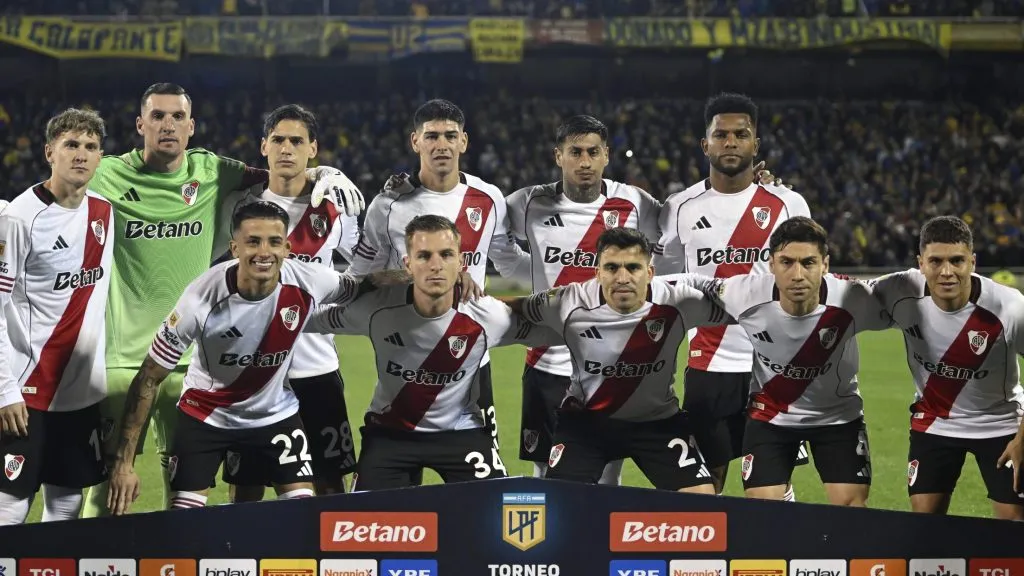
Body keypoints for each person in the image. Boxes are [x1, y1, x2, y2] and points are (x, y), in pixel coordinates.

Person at [82, 83, 365, 517]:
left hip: (282, 363)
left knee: (324, 482)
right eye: (157, 116)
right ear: (141, 124)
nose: (168, 125)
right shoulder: (117, 175)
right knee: (118, 482)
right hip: (149, 361)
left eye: (177, 117)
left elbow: (355, 273)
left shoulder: (223, 176)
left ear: (191, 126)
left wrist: (327, 173)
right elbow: (61, 182)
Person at [105, 201, 369, 514]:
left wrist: (423, 284)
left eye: (273, 242)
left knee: (303, 516)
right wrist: (124, 464)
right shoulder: (200, 300)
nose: (264, 252)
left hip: (275, 415)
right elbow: (150, 375)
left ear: (286, 247)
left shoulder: (309, 280)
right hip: (206, 415)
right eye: (253, 242)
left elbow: (362, 287)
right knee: (185, 520)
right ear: (234, 248)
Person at [306, 215, 560, 490]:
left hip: (461, 433)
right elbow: (305, 317)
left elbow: (559, 331)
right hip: (391, 433)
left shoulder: (488, 316)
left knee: (496, 516)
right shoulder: (376, 309)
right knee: (363, 523)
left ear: (461, 263)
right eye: (424, 256)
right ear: (407, 265)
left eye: (446, 255)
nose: (436, 265)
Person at [346, 99, 531, 471]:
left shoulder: (489, 199)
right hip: (405, 352)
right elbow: (358, 278)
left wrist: (577, 279)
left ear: (464, 141)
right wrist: (423, 277)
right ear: (416, 142)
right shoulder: (388, 205)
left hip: (472, 355)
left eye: (450, 135)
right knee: (394, 485)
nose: (441, 144)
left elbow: (508, 260)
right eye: (431, 136)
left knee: (483, 492)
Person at [653, 92, 812, 498]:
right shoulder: (679, 207)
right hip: (710, 364)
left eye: (740, 134)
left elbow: (808, 279)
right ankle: (710, 562)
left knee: (771, 489)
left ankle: (777, 559)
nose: (730, 142)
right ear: (705, 144)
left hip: (773, 362)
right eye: (720, 134)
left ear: (755, 144)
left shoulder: (788, 204)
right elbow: (669, 283)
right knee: (709, 486)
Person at [682, 217, 891, 506]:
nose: (797, 274)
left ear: (825, 265)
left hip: (837, 417)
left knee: (851, 511)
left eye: (808, 263)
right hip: (772, 417)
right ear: (771, 264)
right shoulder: (745, 293)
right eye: (786, 262)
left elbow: (908, 293)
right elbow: (695, 282)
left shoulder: (854, 298)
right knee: (764, 512)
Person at [504, 115, 662, 485]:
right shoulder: (527, 202)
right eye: (575, 152)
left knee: (608, 477)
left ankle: (599, 543)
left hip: (612, 365)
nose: (585, 161)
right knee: (544, 472)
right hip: (548, 363)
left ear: (607, 155)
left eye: (593, 152)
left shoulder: (636, 203)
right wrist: (534, 270)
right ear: (558, 155)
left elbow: (675, 244)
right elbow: (492, 242)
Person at [506, 227, 726, 493]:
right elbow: (513, 307)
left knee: (702, 500)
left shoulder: (679, 302)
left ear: (650, 273)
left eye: (633, 267)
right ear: (598, 273)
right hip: (586, 424)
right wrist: (458, 296)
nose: (622, 278)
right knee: (561, 504)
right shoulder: (569, 301)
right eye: (611, 268)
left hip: (657, 422)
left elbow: (746, 308)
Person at [221, 105, 359, 501]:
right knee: (246, 486)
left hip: (315, 366)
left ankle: (331, 563)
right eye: (278, 140)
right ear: (263, 147)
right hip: (253, 368)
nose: (287, 148)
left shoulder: (334, 208)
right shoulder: (241, 210)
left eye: (297, 141)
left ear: (312, 149)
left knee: (330, 483)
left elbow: (363, 269)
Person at [0, 108, 113, 524]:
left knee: (66, 503)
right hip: (28, 390)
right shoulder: (17, 219)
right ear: (50, 151)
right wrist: (3, 391)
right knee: (10, 503)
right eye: (71, 145)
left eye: (90, 147)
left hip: (80, 392)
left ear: (100, 156)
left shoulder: (104, 212)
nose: (81, 155)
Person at [869, 216, 1024, 520]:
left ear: (973, 262)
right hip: (935, 421)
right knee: (926, 524)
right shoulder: (899, 291)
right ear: (921, 263)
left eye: (957, 260)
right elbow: (839, 295)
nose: (946, 272)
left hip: (1001, 422)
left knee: (1014, 524)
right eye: (936, 261)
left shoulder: (1009, 307)